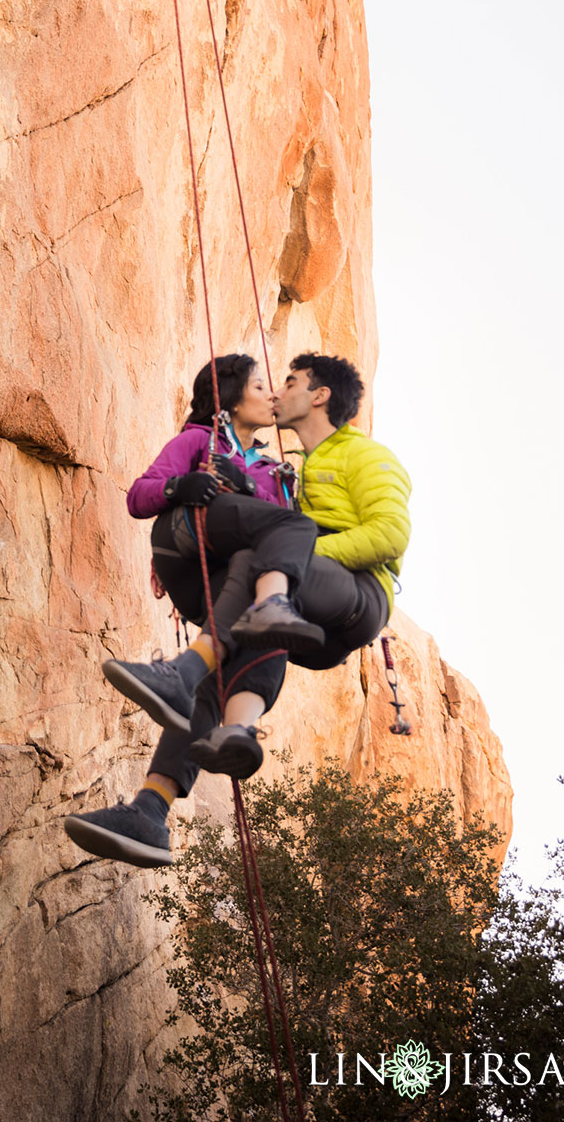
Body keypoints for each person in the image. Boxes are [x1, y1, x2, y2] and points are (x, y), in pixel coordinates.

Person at [66, 352, 410, 868]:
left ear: (318, 396)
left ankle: (191, 672)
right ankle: (151, 810)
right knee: (252, 629)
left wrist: (292, 547)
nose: (274, 391)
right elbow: (148, 495)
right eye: (263, 384)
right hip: (293, 595)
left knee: (270, 556)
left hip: (354, 593)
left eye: (287, 382)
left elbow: (389, 534)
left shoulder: (363, 457)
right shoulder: (283, 467)